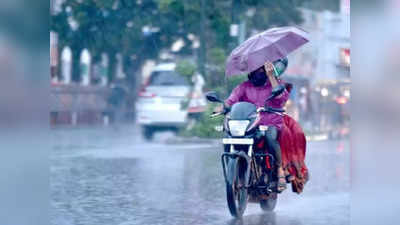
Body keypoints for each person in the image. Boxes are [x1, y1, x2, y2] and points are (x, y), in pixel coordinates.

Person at [221, 58, 290, 192]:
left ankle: (280, 170)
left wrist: (272, 76)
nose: (257, 71)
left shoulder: (276, 83)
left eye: (261, 69)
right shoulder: (244, 86)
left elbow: (282, 98)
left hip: (270, 122)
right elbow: (231, 100)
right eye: (255, 69)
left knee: (270, 138)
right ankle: (233, 169)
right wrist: (222, 107)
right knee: (228, 135)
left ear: (265, 70)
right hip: (250, 124)